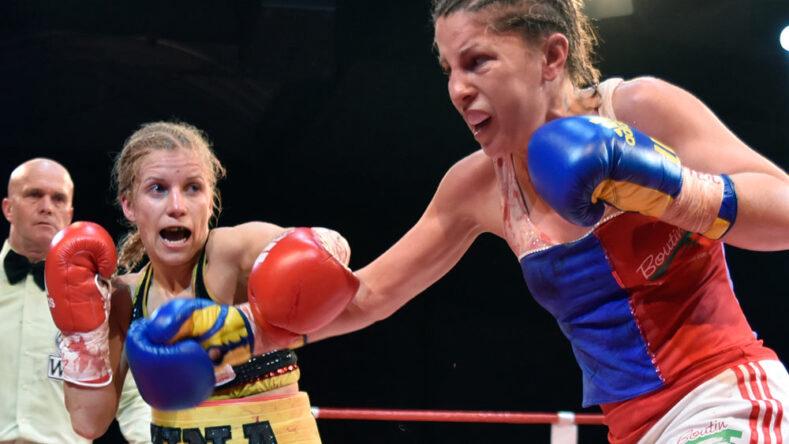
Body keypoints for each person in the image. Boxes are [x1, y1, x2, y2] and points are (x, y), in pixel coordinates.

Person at [306, 1, 789, 443]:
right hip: (632, 430)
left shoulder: (638, 110)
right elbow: (368, 296)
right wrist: (253, 334)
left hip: (726, 396)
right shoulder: (476, 187)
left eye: (477, 62)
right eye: (449, 69)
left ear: (552, 57)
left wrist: (678, 191)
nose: (457, 88)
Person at [43, 122, 359, 443]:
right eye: (158, 189)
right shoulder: (126, 295)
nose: (177, 207)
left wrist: (323, 243)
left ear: (211, 200)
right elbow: (89, 422)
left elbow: (321, 253)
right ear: (129, 205)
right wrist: (82, 336)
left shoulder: (230, 252)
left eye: (193, 188)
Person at [0, 158, 151, 443]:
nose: (47, 206)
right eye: (34, 194)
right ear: (8, 208)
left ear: (69, 214)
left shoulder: (100, 297)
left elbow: (132, 395)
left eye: (58, 199)